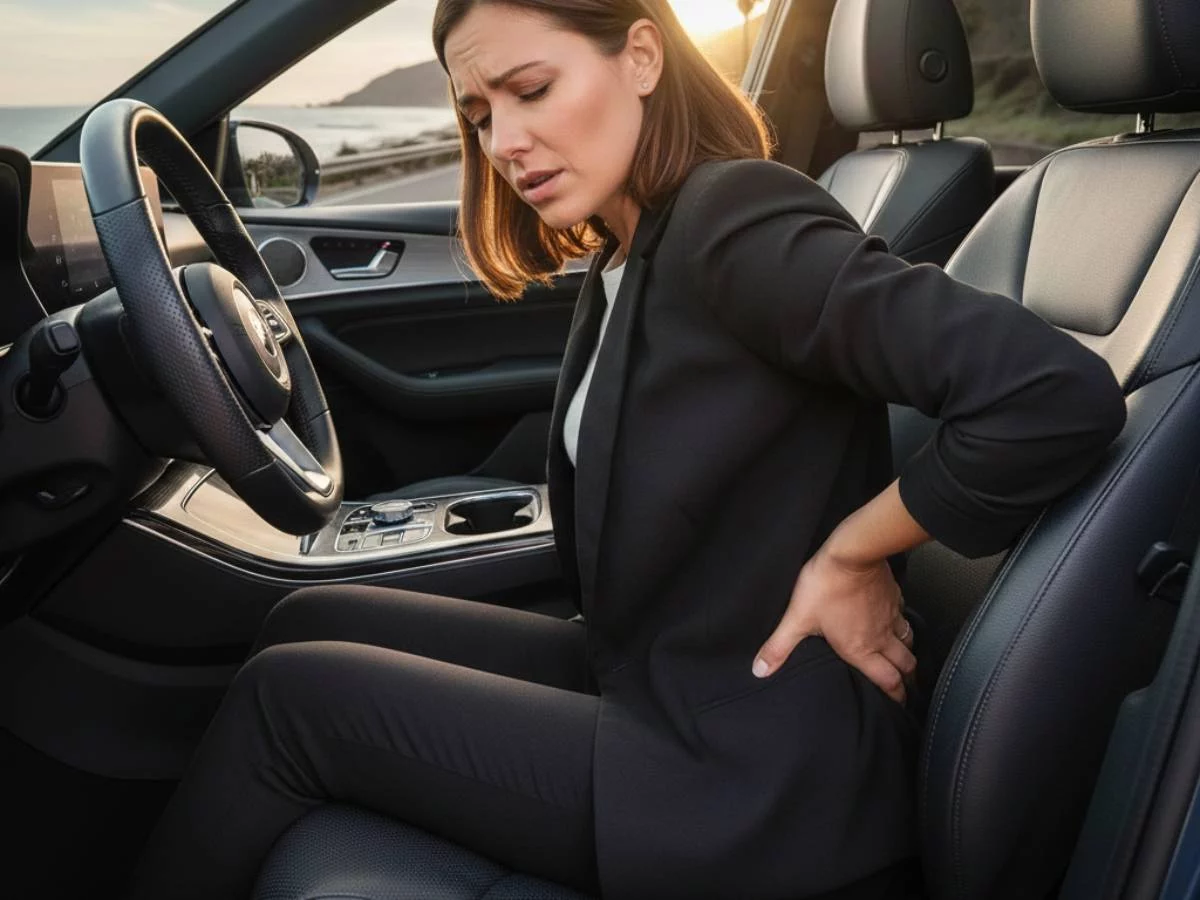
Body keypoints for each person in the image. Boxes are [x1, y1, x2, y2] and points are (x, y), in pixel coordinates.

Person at [125, 1, 1127, 898]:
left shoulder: (734, 217)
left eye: (533, 89)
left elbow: (1050, 395)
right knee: (306, 614)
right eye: (479, 114)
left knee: (288, 701)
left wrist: (854, 551)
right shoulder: (630, 249)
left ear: (642, 56)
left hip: (755, 775)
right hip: (665, 677)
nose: (506, 140)